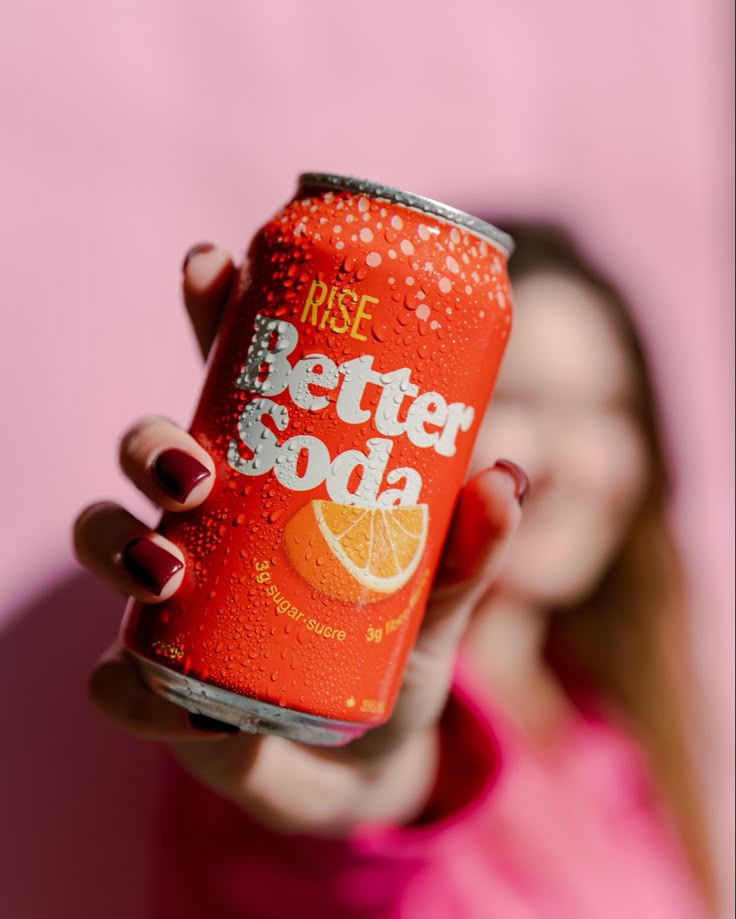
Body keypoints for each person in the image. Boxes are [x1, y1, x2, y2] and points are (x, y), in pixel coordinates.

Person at [73, 221, 714, 917]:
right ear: (407, 419)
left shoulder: (611, 726)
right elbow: (313, 850)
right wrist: (362, 795)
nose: (575, 460)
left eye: (608, 407)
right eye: (522, 400)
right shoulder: (295, 700)